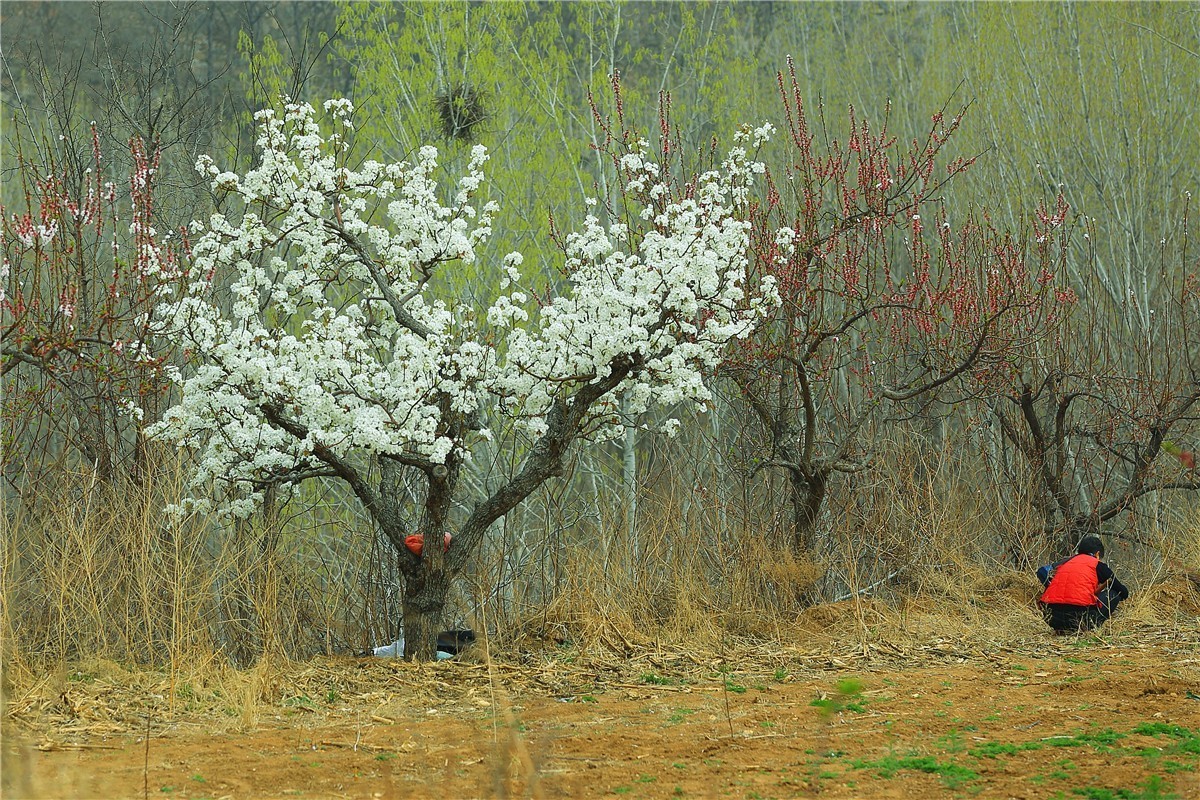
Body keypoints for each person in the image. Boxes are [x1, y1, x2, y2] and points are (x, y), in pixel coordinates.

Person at [1037, 535, 1129, 634]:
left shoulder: (1065, 562)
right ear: (1097, 554)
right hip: (1080, 620)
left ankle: (1061, 629)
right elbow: (1123, 592)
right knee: (1114, 593)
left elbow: (1042, 572)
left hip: (1051, 618)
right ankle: (1090, 628)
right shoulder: (1097, 564)